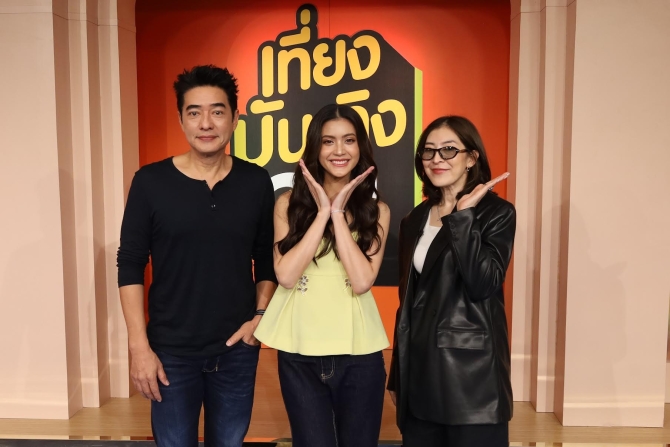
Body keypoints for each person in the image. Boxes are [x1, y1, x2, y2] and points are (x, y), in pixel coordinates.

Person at [116, 65, 277, 447]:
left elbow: (266, 260)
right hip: (170, 352)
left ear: (235, 118)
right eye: (195, 112)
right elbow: (130, 263)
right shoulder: (150, 182)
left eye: (217, 111)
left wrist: (259, 319)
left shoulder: (255, 181)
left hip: (237, 349)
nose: (206, 123)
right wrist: (139, 346)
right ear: (181, 119)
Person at [254, 104, 391, 447]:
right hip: (299, 353)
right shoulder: (287, 204)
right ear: (315, 148)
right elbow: (286, 276)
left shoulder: (377, 211)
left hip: (359, 355)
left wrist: (339, 214)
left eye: (349, 140)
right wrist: (322, 214)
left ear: (361, 147)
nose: (339, 150)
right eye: (328, 141)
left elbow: (362, 281)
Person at [387, 116, 516, 447]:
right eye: (428, 151)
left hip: (472, 380)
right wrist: (398, 374)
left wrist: (463, 216)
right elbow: (408, 303)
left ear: (471, 158)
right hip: (420, 376)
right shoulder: (414, 218)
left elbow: (482, 284)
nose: (437, 159)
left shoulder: (497, 213)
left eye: (448, 150)